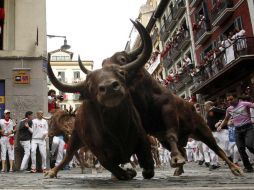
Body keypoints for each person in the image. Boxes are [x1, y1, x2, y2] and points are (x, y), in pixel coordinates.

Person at [217, 94, 254, 173]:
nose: (229, 101)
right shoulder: (229, 109)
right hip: (237, 130)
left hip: (248, 127)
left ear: (236, 99)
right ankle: (248, 167)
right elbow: (226, 119)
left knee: (250, 145)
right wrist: (220, 126)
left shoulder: (244, 104)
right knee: (240, 149)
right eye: (228, 100)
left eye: (231, 99)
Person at [204, 101, 227, 171]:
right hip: (212, 132)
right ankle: (214, 164)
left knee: (225, 147)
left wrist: (220, 121)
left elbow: (226, 113)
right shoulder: (207, 113)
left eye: (205, 106)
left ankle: (229, 157)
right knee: (212, 148)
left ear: (210, 105)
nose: (204, 107)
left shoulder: (215, 109)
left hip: (220, 131)